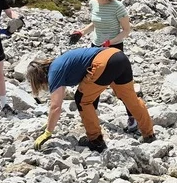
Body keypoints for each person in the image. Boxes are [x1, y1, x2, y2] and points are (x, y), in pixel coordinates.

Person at [26, 47, 155, 153]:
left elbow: (55, 106)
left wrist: (48, 132)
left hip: (104, 63)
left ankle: (96, 141)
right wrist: (49, 122)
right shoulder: (59, 63)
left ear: (39, 78)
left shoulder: (54, 73)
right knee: (129, 98)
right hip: (118, 56)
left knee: (82, 100)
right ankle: (149, 135)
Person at [69, 0, 138, 131]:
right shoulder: (94, 3)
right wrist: (81, 32)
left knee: (121, 86)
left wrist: (110, 42)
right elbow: (95, 23)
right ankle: (92, 113)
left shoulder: (117, 6)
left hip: (113, 50)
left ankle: (133, 117)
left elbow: (127, 30)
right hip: (95, 47)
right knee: (92, 82)